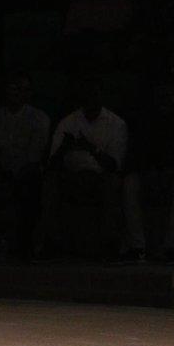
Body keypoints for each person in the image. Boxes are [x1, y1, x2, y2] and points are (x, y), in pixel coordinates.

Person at [42, 79, 127, 257]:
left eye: (95, 95)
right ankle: (52, 242)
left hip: (101, 177)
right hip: (71, 176)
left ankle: (108, 245)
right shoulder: (68, 122)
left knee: (112, 184)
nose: (91, 100)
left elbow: (114, 165)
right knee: (50, 182)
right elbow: (52, 163)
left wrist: (91, 148)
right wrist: (65, 148)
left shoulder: (116, 124)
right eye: (88, 96)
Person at [122, 80, 174, 262]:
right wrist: (148, 173)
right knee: (130, 183)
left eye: (170, 96)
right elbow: (136, 156)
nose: (165, 101)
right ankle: (137, 246)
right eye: (161, 96)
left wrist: (171, 174)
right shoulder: (145, 123)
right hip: (151, 174)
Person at [0, 73, 50, 259]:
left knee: (30, 183)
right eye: (13, 88)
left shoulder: (39, 118)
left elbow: (34, 156)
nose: (17, 93)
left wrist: (16, 173)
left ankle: (25, 242)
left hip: (27, 171)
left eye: (22, 89)